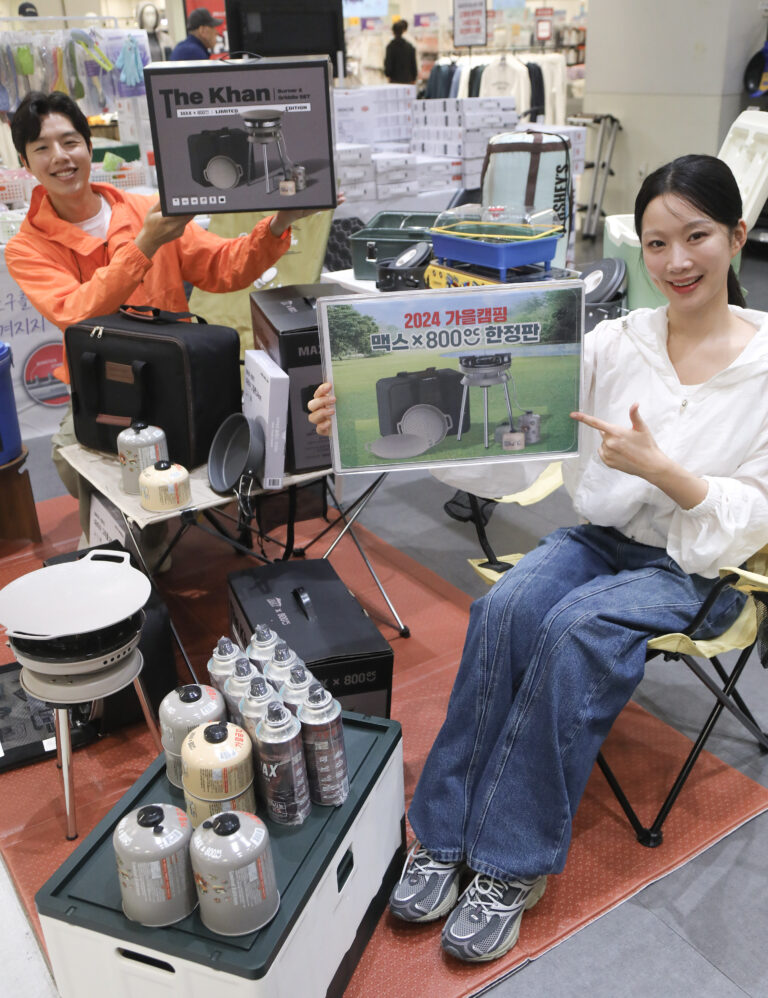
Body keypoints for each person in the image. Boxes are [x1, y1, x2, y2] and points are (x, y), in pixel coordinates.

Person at [307, 155, 768, 962]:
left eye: (696, 237)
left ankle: (510, 865)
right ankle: (443, 835)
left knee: (572, 630)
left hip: (700, 567)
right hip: (600, 539)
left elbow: (755, 511)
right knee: (506, 607)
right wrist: (353, 410)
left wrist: (668, 474)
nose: (676, 262)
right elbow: (511, 411)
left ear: (736, 235)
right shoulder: (616, 341)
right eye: (656, 244)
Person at [6, 91, 317, 548]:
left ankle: (158, 534)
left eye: (70, 142)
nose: (60, 157)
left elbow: (223, 266)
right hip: (103, 390)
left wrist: (276, 225)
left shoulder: (144, 210)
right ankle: (132, 549)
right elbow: (75, 312)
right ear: (25, 162)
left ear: (89, 146)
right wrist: (145, 245)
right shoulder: (26, 248)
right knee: (72, 462)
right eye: (42, 148)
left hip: (179, 376)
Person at [384, 18, 418, 85]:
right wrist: (414, 78)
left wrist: (388, 75)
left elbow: (388, 63)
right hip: (408, 79)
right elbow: (413, 63)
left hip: (394, 80)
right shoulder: (409, 46)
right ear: (403, 31)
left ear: (393, 32)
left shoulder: (390, 46)